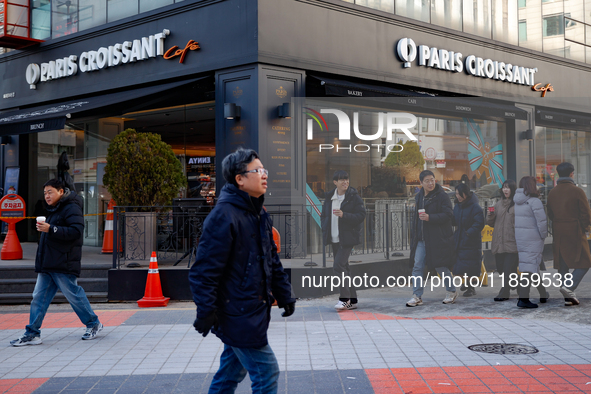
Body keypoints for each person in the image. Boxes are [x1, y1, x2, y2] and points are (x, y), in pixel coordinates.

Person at [189, 148, 295, 394]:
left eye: (264, 170)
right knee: (267, 372)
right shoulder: (223, 216)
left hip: (253, 311)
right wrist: (206, 311)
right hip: (237, 313)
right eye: (258, 171)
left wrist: (285, 293)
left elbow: (271, 259)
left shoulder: (259, 214)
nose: (264, 175)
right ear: (240, 179)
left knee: (230, 373)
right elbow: (204, 272)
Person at [10, 179, 102, 346]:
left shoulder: (71, 207)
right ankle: (32, 333)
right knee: (38, 297)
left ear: (61, 191)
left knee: (73, 294)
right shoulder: (54, 209)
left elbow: (76, 231)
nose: (47, 196)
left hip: (63, 262)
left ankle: (93, 323)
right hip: (48, 262)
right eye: (45, 193)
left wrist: (51, 228)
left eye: (50, 192)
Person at [407, 170, 458, 307]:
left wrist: (430, 218)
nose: (430, 183)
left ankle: (451, 291)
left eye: (432, 180)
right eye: (427, 181)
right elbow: (416, 220)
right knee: (417, 266)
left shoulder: (442, 196)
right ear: (421, 183)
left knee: (440, 266)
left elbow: (448, 215)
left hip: (438, 238)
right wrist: (414, 235)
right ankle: (417, 295)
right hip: (421, 238)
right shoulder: (419, 197)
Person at [321, 170, 367, 311]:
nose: (345, 182)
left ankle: (344, 299)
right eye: (342, 180)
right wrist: (325, 229)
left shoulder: (353, 197)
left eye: (347, 179)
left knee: (338, 266)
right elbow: (324, 216)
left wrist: (344, 215)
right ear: (335, 182)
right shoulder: (330, 197)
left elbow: (361, 215)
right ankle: (352, 300)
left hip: (347, 238)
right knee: (345, 268)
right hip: (334, 238)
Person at [547, 162, 591, 306]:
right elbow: (586, 214)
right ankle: (569, 288)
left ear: (558, 174)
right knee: (585, 261)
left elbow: (550, 214)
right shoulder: (577, 191)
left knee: (563, 264)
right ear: (572, 173)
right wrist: (586, 227)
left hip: (558, 230)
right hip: (575, 230)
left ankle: (568, 298)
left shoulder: (552, 192)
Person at [514, 176, 549, 308]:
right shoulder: (534, 201)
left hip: (522, 238)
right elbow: (542, 223)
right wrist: (543, 236)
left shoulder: (518, 202)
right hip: (533, 238)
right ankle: (523, 299)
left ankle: (543, 293)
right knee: (529, 268)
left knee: (531, 265)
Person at [487, 180, 519, 301]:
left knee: (507, 269)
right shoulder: (498, 204)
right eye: (504, 188)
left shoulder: (517, 205)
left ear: (513, 190)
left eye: (508, 188)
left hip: (512, 243)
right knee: (501, 269)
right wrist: (490, 215)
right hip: (499, 242)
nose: (505, 190)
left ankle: (504, 292)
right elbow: (490, 223)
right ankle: (518, 282)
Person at [452, 183, 485, 297]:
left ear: (466, 194)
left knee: (470, 265)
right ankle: (467, 283)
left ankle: (471, 287)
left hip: (471, 240)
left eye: (460, 194)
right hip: (460, 238)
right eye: (456, 194)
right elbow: (454, 220)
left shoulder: (475, 206)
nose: (458, 196)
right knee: (460, 264)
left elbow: (479, 223)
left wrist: (468, 233)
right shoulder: (457, 206)